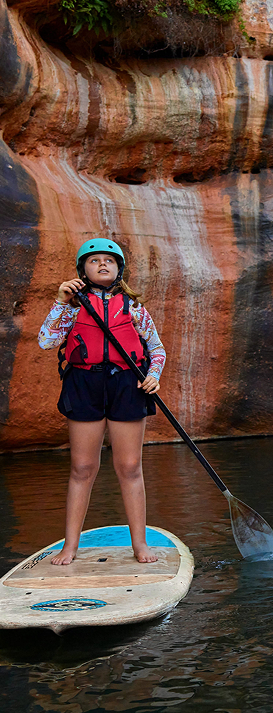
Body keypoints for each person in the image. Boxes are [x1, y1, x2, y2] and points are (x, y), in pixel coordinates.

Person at [38, 238, 166, 566]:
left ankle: (140, 544)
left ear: (119, 268)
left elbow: (157, 348)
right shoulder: (72, 306)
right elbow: (46, 341)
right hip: (84, 384)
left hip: (127, 385)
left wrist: (154, 374)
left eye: (109, 260)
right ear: (83, 270)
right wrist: (59, 301)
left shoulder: (134, 308)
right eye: (94, 260)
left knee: (129, 467)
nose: (102, 264)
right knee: (82, 467)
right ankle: (70, 546)